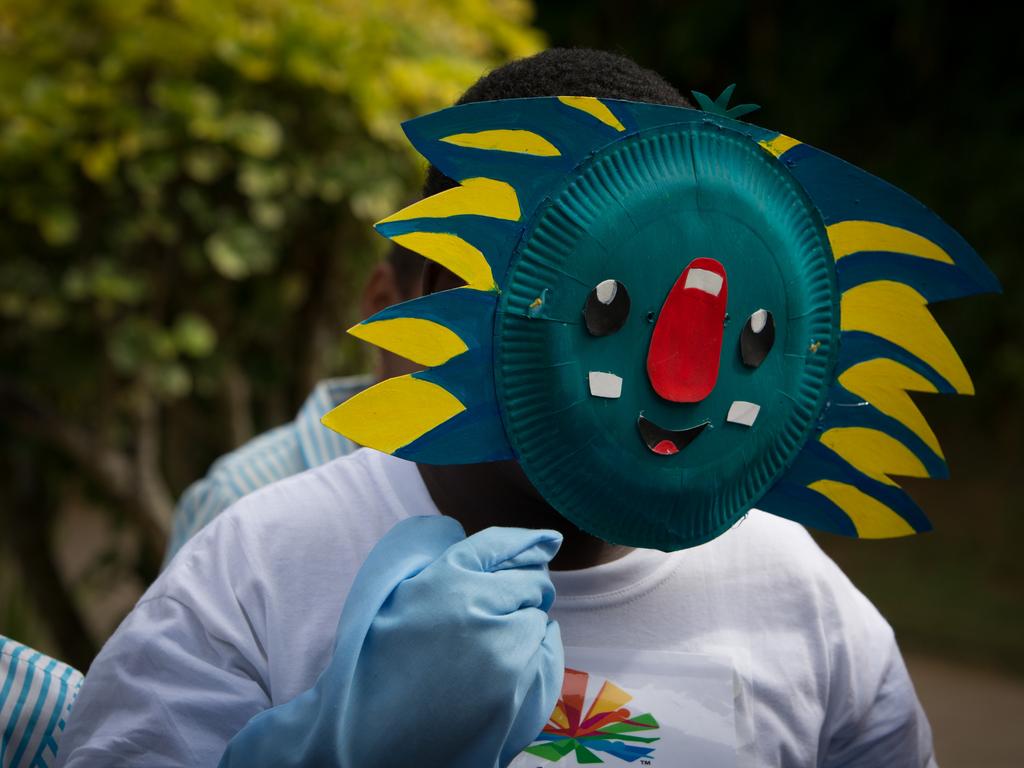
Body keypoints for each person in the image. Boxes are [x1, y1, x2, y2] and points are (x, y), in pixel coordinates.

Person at [55, 49, 937, 767]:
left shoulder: (801, 594)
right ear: (449, 286)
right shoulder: (258, 568)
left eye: (740, 337)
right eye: (610, 308)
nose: (679, 378)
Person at [162, 243, 423, 567]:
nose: (490, 349)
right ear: (382, 302)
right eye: (461, 308)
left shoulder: (494, 499)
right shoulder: (240, 503)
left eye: (507, 324)